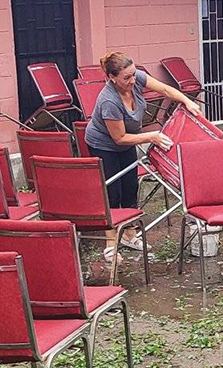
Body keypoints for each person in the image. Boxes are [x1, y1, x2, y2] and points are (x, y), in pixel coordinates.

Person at [82, 51, 200, 260]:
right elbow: (119, 138)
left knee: (130, 187)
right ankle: (111, 242)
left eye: (134, 74)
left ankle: (129, 234)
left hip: (129, 139)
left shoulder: (136, 80)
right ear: (112, 77)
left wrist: (186, 101)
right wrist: (151, 136)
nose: (132, 80)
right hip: (104, 145)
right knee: (112, 191)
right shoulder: (109, 101)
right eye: (126, 77)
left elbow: (164, 88)